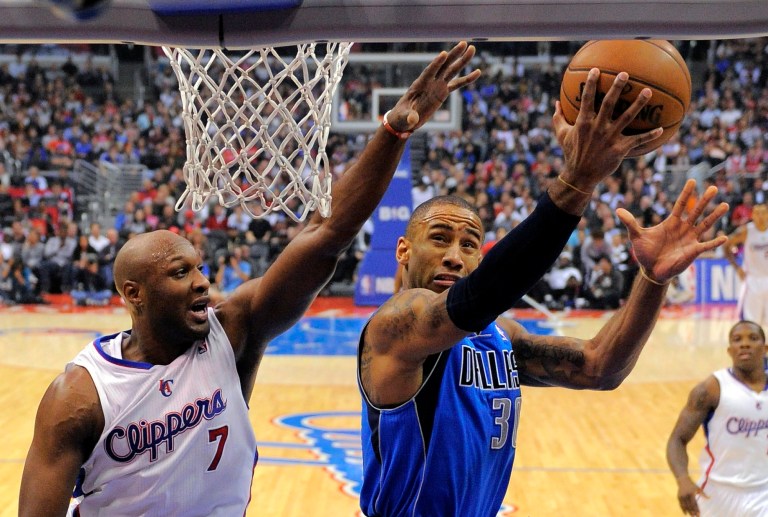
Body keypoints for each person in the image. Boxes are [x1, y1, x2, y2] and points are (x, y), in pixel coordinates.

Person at [18, 42, 481, 517]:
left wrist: (392, 132)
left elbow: (324, 235)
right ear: (133, 294)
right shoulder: (81, 394)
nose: (202, 282)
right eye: (181, 273)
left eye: (199, 268)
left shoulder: (233, 331)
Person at [356, 66, 730, 516]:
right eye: (439, 239)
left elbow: (599, 368)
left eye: (470, 245)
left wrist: (653, 279)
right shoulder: (397, 325)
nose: (455, 256)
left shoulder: (501, 338)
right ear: (403, 249)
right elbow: (484, 293)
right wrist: (579, 178)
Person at [666, 320, 768, 517]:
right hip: (717, 494)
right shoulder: (710, 389)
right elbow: (677, 440)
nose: (744, 344)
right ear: (730, 351)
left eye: (752, 338)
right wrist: (682, 479)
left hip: (763, 491)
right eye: (737, 340)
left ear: (765, 349)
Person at [724, 203, 768, 327]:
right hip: (753, 282)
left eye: (763, 213)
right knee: (751, 324)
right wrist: (737, 268)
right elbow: (726, 245)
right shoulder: (746, 231)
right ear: (752, 215)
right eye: (757, 213)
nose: (760, 216)